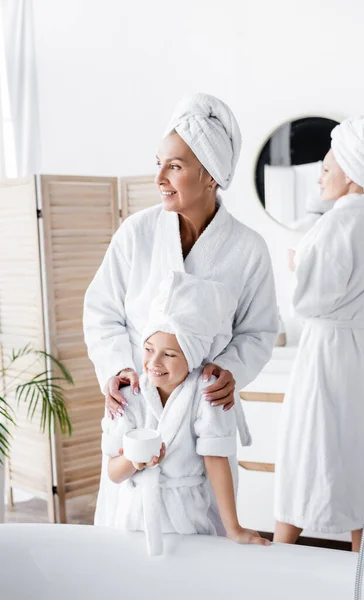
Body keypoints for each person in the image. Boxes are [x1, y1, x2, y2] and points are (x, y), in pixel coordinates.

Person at [83, 93, 279, 527]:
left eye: (174, 166)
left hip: (201, 418)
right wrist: (117, 369)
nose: (159, 177)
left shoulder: (247, 249)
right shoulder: (137, 233)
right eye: (159, 163)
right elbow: (101, 311)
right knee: (125, 540)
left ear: (210, 175)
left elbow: (259, 331)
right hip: (137, 410)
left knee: (201, 540)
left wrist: (227, 370)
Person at [274, 116, 364, 553]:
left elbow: (308, 302)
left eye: (326, 168)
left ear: (350, 174)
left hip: (325, 352)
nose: (320, 178)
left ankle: (283, 552)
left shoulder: (332, 225)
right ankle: (361, 559)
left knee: (306, 448)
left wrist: (296, 266)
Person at [101, 271, 269, 555]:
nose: (154, 362)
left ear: (192, 356)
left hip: (188, 521)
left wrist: (233, 528)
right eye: (148, 349)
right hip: (134, 523)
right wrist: (134, 460)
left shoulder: (205, 392)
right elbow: (114, 474)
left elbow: (215, 458)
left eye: (169, 354)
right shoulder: (128, 394)